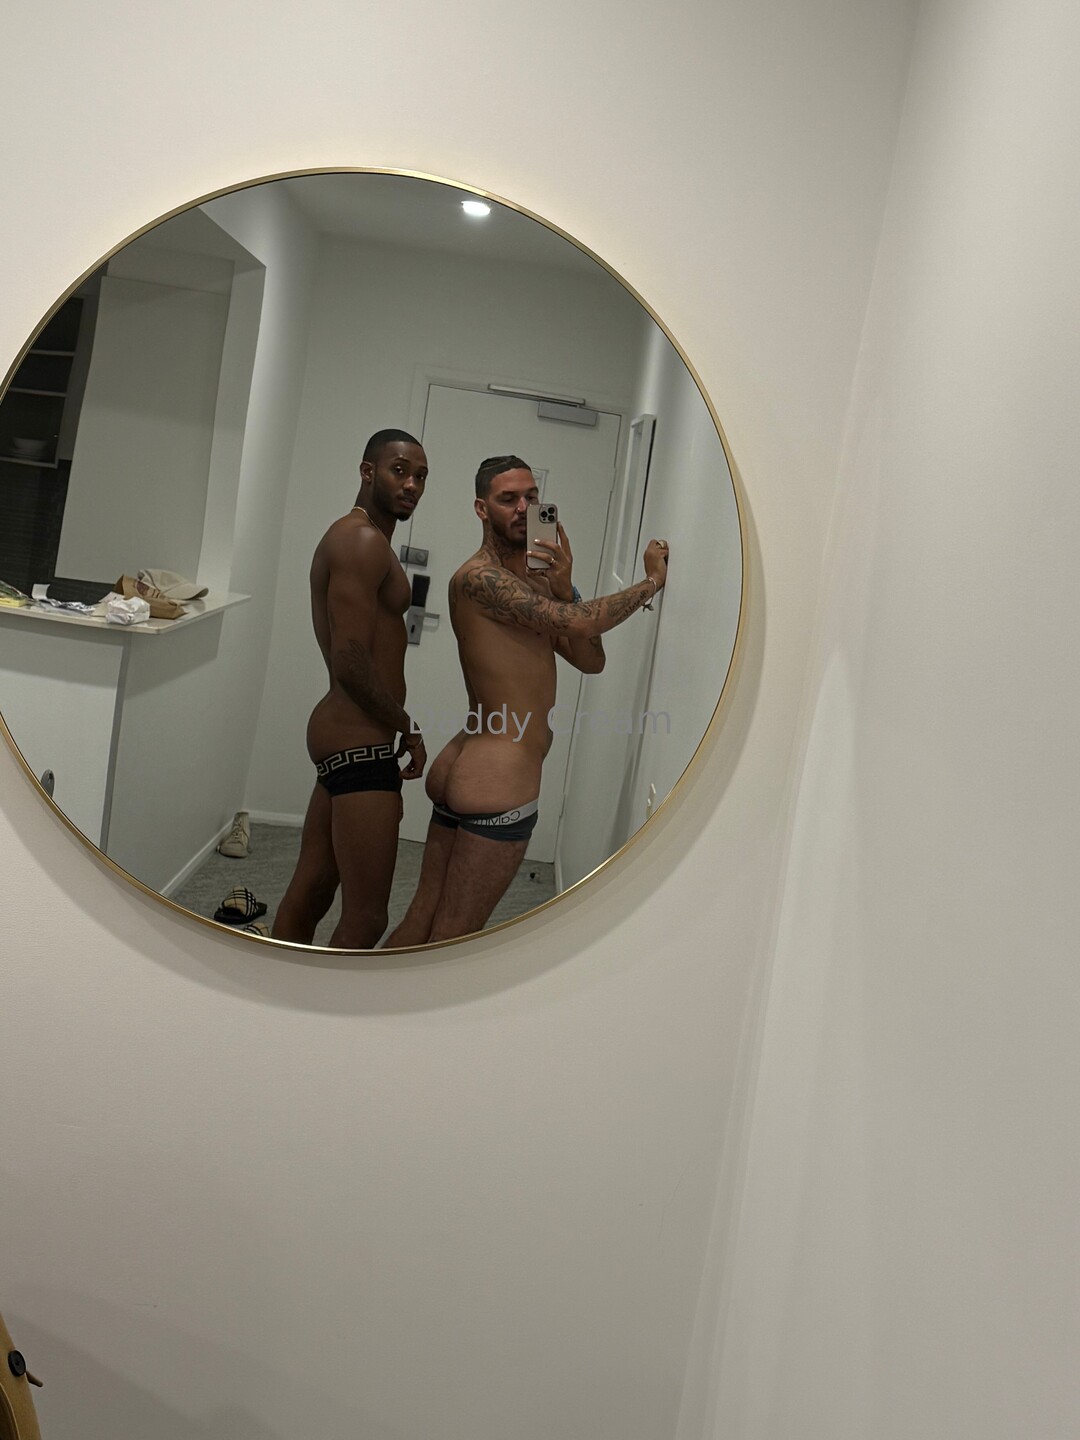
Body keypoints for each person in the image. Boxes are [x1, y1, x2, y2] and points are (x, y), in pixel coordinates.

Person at [384, 453, 669, 947]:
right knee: (452, 940)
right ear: (482, 508)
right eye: (508, 498)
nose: (523, 507)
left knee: (423, 925)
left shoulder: (535, 582)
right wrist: (652, 583)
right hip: (499, 775)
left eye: (531, 497)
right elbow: (581, 622)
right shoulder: (479, 579)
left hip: (475, 767)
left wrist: (563, 586)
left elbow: (590, 659)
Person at [271, 429, 429, 947]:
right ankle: (327, 1004)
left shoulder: (365, 538)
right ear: (367, 472)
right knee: (368, 917)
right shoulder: (360, 540)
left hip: (347, 736)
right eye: (399, 470)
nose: (411, 485)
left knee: (310, 897)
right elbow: (351, 661)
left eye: (420, 476)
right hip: (359, 740)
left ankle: (278, 985)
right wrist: (407, 726)